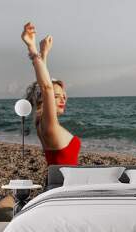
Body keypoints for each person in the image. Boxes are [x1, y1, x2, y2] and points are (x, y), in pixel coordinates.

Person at [21, 22, 81, 166]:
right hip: (63, 185)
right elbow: (46, 87)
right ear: (45, 99)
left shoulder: (42, 124)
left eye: (63, 96)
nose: (63, 100)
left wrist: (44, 54)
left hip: (58, 183)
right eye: (56, 96)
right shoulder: (49, 127)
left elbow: (46, 86)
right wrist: (32, 47)